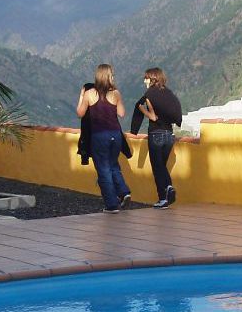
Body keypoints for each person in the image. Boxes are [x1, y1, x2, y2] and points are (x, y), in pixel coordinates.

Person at [77, 64, 131, 213]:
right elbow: (121, 113)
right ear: (109, 76)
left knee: (103, 170)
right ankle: (124, 191)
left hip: (99, 136)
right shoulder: (116, 93)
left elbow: (80, 113)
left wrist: (81, 95)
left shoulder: (90, 94)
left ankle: (112, 204)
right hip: (115, 135)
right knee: (113, 165)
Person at [132, 67, 182, 209]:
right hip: (169, 135)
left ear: (152, 79)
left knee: (157, 167)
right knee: (162, 166)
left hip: (156, 134)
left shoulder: (150, 94)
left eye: (146, 78)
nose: (144, 80)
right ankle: (168, 189)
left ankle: (163, 196)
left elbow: (153, 116)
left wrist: (142, 110)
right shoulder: (168, 93)